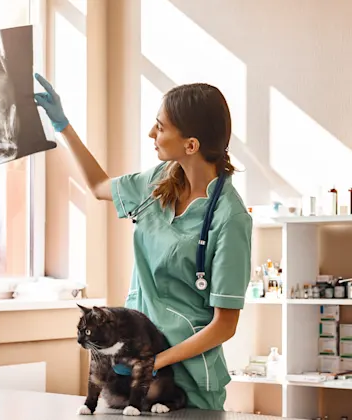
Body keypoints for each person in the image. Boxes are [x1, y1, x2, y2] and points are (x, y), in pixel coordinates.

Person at [34, 73, 252, 411]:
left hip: (188, 379)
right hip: (132, 365)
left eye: (161, 127)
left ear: (190, 145)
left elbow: (225, 325)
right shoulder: (157, 181)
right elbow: (98, 186)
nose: (152, 134)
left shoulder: (229, 218)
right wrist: (62, 125)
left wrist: (157, 361)